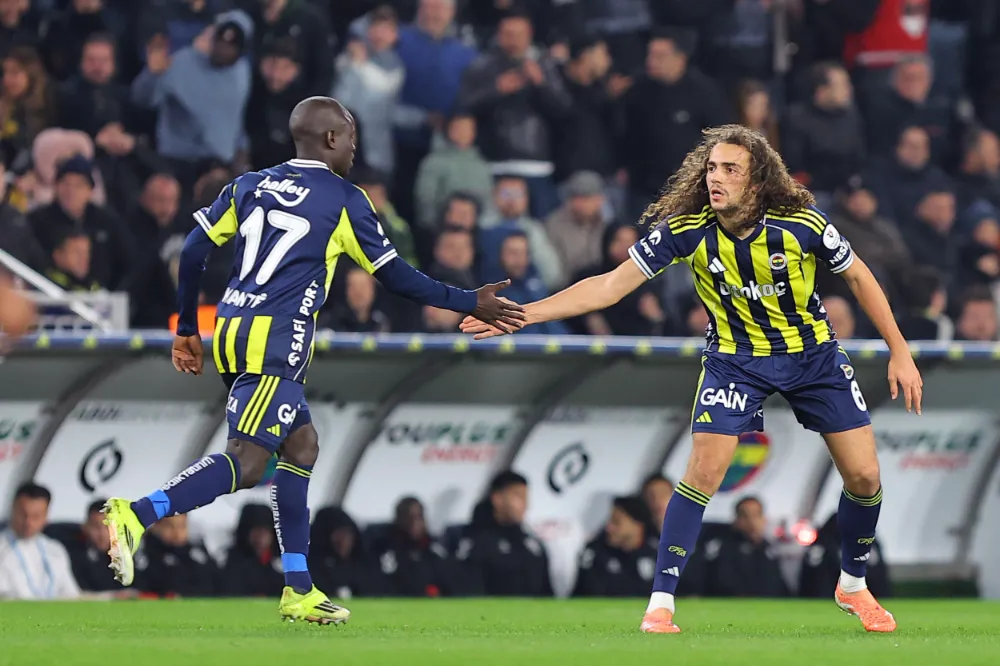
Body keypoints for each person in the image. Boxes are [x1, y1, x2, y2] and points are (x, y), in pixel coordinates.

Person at [461, 124, 924, 634]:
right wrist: (523, 314)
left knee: (865, 477)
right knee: (703, 472)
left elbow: (857, 275)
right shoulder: (686, 230)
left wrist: (899, 350)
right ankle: (660, 603)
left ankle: (852, 584)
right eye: (711, 168)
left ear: (757, 180)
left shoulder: (801, 225)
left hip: (812, 356)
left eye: (730, 170)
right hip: (734, 359)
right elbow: (610, 286)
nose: (715, 178)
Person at [100, 96, 523, 625]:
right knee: (247, 463)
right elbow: (396, 276)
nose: (355, 148)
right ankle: (137, 514)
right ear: (330, 139)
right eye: (351, 137)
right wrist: (468, 300)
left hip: (230, 328)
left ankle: (299, 587)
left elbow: (191, 251)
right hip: (276, 341)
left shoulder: (249, 184)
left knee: (302, 444)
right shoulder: (344, 199)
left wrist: (186, 328)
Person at [0, 483, 80, 600]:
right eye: (23, 514)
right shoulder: (2, 548)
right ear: (13, 509)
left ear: (46, 515)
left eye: (35, 516)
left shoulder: (55, 550)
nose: (28, 522)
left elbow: (71, 595)